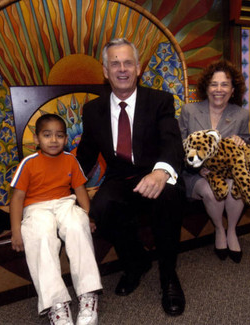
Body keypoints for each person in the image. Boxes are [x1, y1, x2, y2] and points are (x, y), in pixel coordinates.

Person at [76, 38, 186, 316]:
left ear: (138, 68)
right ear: (105, 70)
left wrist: (161, 172)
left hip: (157, 173)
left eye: (128, 63)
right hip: (122, 178)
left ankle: (169, 276)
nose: (122, 69)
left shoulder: (160, 100)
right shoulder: (92, 110)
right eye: (115, 63)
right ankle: (136, 262)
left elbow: (172, 141)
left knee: (168, 200)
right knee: (101, 207)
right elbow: (85, 156)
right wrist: (60, 187)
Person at [10, 114, 102, 325]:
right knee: (40, 235)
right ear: (36, 139)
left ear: (65, 139)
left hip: (64, 203)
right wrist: (16, 231)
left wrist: (89, 216)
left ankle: (88, 295)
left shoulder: (70, 160)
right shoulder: (28, 163)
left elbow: (80, 190)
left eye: (59, 135)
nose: (53, 140)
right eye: (47, 135)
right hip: (36, 208)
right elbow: (17, 198)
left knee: (77, 225)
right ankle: (56, 305)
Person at [178, 59, 249, 263]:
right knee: (210, 191)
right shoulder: (189, 111)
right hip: (195, 174)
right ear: (206, 88)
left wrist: (241, 143)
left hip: (227, 173)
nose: (219, 89)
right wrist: (198, 167)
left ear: (233, 89)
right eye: (214, 84)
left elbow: (244, 142)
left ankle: (232, 230)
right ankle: (219, 229)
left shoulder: (242, 114)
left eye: (225, 84)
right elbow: (178, 147)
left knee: (237, 187)